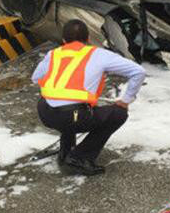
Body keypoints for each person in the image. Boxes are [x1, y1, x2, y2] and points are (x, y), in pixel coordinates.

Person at [31, 20, 146, 176]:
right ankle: (78, 158)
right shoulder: (99, 54)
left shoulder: (54, 54)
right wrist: (126, 100)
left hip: (45, 112)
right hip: (73, 116)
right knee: (118, 114)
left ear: (64, 40)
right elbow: (138, 72)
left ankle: (66, 149)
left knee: (71, 108)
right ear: (88, 39)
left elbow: (35, 77)